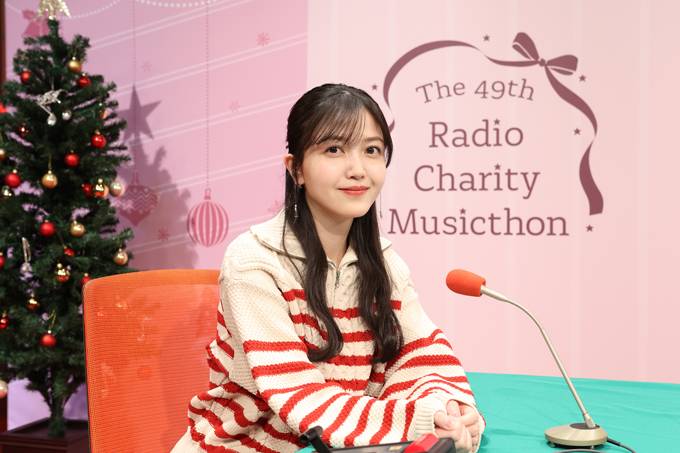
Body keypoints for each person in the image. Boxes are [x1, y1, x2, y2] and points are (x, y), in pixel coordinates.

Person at [171, 83, 484, 453]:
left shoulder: (385, 263)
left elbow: (419, 354)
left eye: (372, 150)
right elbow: (299, 396)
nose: (357, 170)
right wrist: (417, 421)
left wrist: (450, 408)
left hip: (344, 447)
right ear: (296, 169)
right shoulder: (254, 262)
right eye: (334, 149)